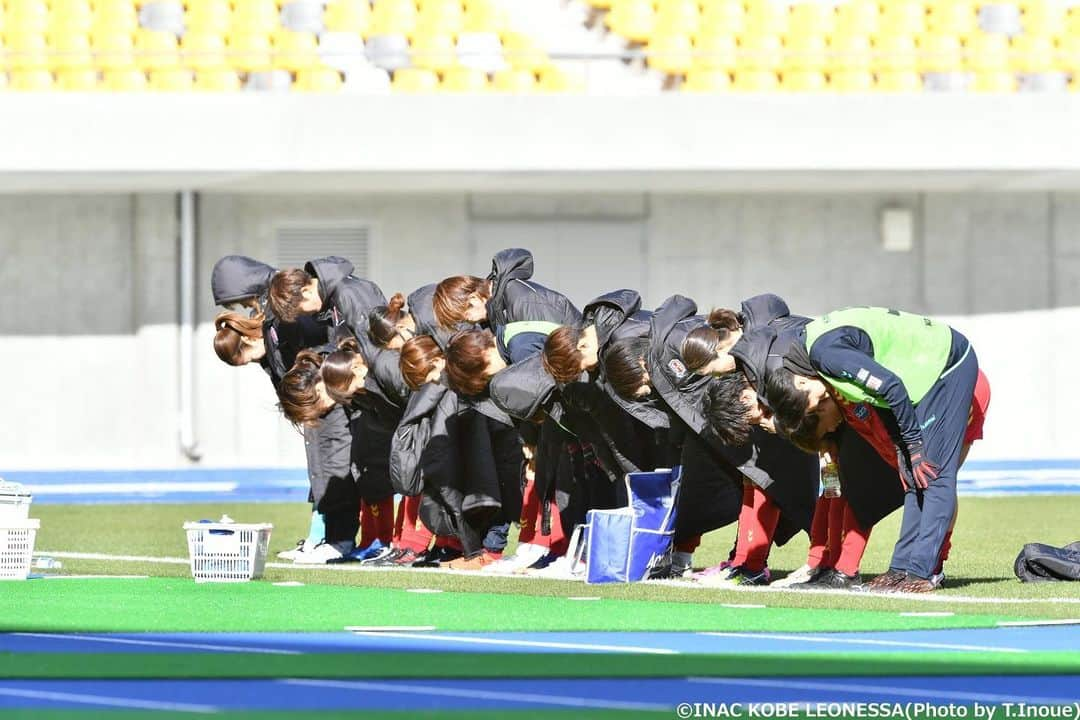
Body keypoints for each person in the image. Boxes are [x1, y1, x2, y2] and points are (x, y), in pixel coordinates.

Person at [766, 306, 980, 593]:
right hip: (920, 380)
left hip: (947, 366)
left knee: (934, 473)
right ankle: (900, 568)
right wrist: (904, 449)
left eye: (814, 406)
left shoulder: (825, 356)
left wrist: (914, 444)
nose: (819, 405)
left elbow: (892, 386)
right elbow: (883, 398)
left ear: (800, 382)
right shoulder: (812, 359)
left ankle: (921, 572)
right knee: (911, 475)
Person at [679, 296, 819, 586]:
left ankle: (820, 563)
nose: (728, 371)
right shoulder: (752, 356)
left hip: (819, 413)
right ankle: (745, 561)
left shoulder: (771, 351)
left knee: (815, 489)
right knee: (756, 476)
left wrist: (773, 417)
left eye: (722, 363)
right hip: (796, 415)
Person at [276, 349, 359, 564]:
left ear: (320, 386)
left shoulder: (341, 395)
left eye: (315, 403)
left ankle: (342, 542)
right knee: (325, 473)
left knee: (339, 472)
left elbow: (341, 470)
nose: (317, 410)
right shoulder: (324, 394)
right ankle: (325, 539)